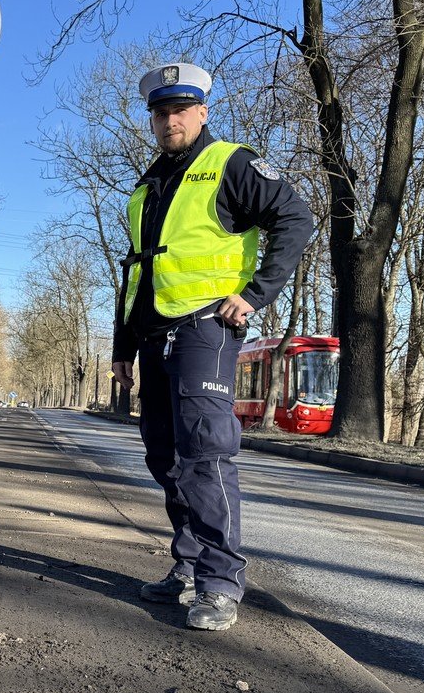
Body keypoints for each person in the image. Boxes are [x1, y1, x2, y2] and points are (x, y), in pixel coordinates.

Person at [112, 62, 313, 631]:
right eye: (160, 111)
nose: (169, 119)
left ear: (201, 111)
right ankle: (189, 563)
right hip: (152, 334)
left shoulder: (232, 164)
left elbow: (296, 219)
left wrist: (254, 294)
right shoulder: (149, 184)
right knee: (163, 455)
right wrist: (121, 346)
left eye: (180, 109)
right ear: (151, 118)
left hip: (206, 328)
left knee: (205, 450)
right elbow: (137, 273)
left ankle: (220, 581)